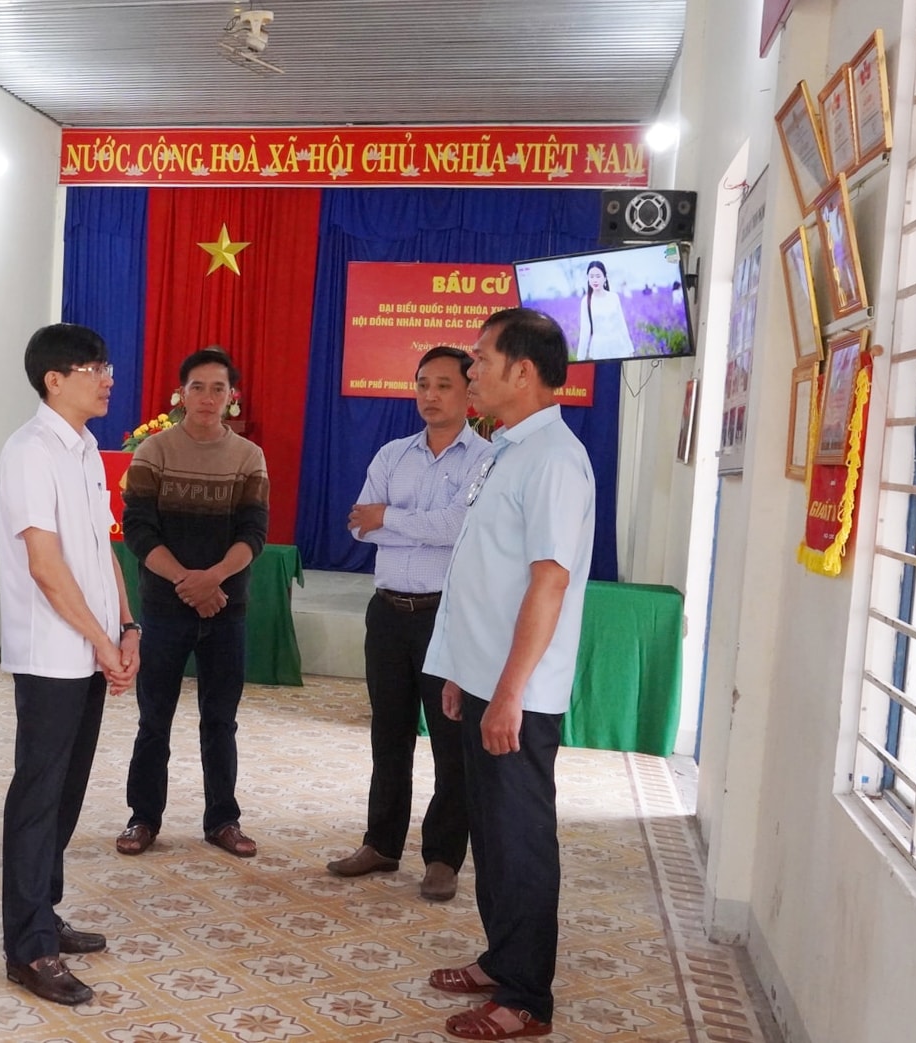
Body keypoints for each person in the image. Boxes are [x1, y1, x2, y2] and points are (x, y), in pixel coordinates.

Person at [424, 308, 595, 1040]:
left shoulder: (553, 458)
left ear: (523, 371)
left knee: (519, 840)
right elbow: (483, 570)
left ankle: (525, 998)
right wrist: (460, 670)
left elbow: (548, 582)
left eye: (481, 359)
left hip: (515, 693)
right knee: (492, 835)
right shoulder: (507, 449)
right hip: (484, 678)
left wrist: (510, 692)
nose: (470, 372)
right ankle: (501, 958)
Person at [0, 323, 140, 1006]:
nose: (107, 378)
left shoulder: (84, 449)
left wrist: (127, 625)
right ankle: (28, 947)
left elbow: (100, 546)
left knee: (68, 790)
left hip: (90, 646)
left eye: (106, 365)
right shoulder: (28, 451)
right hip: (52, 651)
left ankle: (44, 912)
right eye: (94, 367)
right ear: (54, 379)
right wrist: (100, 642)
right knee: (38, 795)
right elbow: (46, 565)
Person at [329, 346, 491, 902]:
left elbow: (459, 527)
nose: (430, 395)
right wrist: (402, 524)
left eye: (443, 385)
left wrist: (390, 519)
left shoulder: (485, 459)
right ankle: (381, 843)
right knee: (388, 735)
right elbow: (359, 526)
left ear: (469, 392)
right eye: (423, 384)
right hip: (388, 614)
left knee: (450, 741)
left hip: (446, 615)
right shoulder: (392, 454)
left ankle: (443, 857)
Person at [116, 346, 269, 860]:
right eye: (197, 387)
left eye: (217, 388)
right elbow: (138, 531)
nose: (207, 397)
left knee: (220, 720)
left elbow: (254, 533)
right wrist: (187, 581)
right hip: (165, 607)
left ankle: (223, 820)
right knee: (153, 719)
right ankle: (143, 818)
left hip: (226, 608)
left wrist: (214, 579)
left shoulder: (248, 456)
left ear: (232, 397)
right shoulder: (153, 451)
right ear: (180, 394)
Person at [574, 260, 634, 361]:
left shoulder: (614, 297)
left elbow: (622, 325)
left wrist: (630, 350)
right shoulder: (586, 301)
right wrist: (580, 357)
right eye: (591, 276)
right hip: (600, 349)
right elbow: (585, 331)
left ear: (605, 278)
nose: (595, 280)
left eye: (598, 276)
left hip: (619, 346)